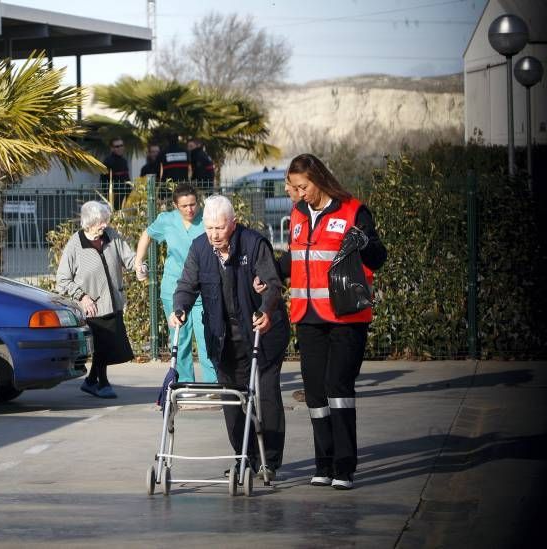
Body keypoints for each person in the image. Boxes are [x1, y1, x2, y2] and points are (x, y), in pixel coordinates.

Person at [278, 153, 387, 490]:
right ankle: (322, 463)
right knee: (314, 391)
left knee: (337, 387)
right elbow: (295, 258)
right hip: (308, 316)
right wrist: (266, 271)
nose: (299, 193)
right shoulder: (297, 213)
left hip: (346, 316)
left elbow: (378, 257)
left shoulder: (353, 210)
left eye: (303, 187)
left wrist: (364, 242)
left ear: (319, 179)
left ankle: (344, 466)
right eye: (295, 188)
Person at [169, 194, 290, 480]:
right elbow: (187, 284)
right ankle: (242, 458)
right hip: (223, 339)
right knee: (232, 399)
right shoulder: (200, 248)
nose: (214, 235)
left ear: (233, 224)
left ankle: (269, 461)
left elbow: (272, 284)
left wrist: (266, 309)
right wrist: (180, 308)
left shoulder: (254, 243)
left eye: (219, 228)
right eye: (209, 228)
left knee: (267, 392)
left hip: (263, 333)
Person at [135, 183, 217, 383]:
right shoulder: (166, 220)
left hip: (203, 289)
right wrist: (139, 262)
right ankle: (184, 384)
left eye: (193, 204)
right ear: (175, 205)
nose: (190, 209)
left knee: (208, 338)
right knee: (180, 340)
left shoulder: (207, 218)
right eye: (185, 206)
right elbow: (147, 235)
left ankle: (213, 384)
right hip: (174, 288)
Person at [56, 201, 136, 399]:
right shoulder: (75, 244)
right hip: (91, 307)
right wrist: (82, 297)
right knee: (102, 346)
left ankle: (91, 382)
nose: (105, 225)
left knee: (109, 346)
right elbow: (62, 279)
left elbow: (130, 258)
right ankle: (102, 383)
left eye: (106, 221)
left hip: (113, 302)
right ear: (90, 222)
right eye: (101, 221)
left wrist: (140, 266)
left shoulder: (111, 235)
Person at [100, 138, 131, 212]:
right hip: (113, 197)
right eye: (117, 146)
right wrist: (108, 195)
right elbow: (103, 180)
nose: (120, 148)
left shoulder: (124, 161)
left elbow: (127, 178)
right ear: (112, 148)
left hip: (126, 196)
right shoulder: (108, 161)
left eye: (121, 145)